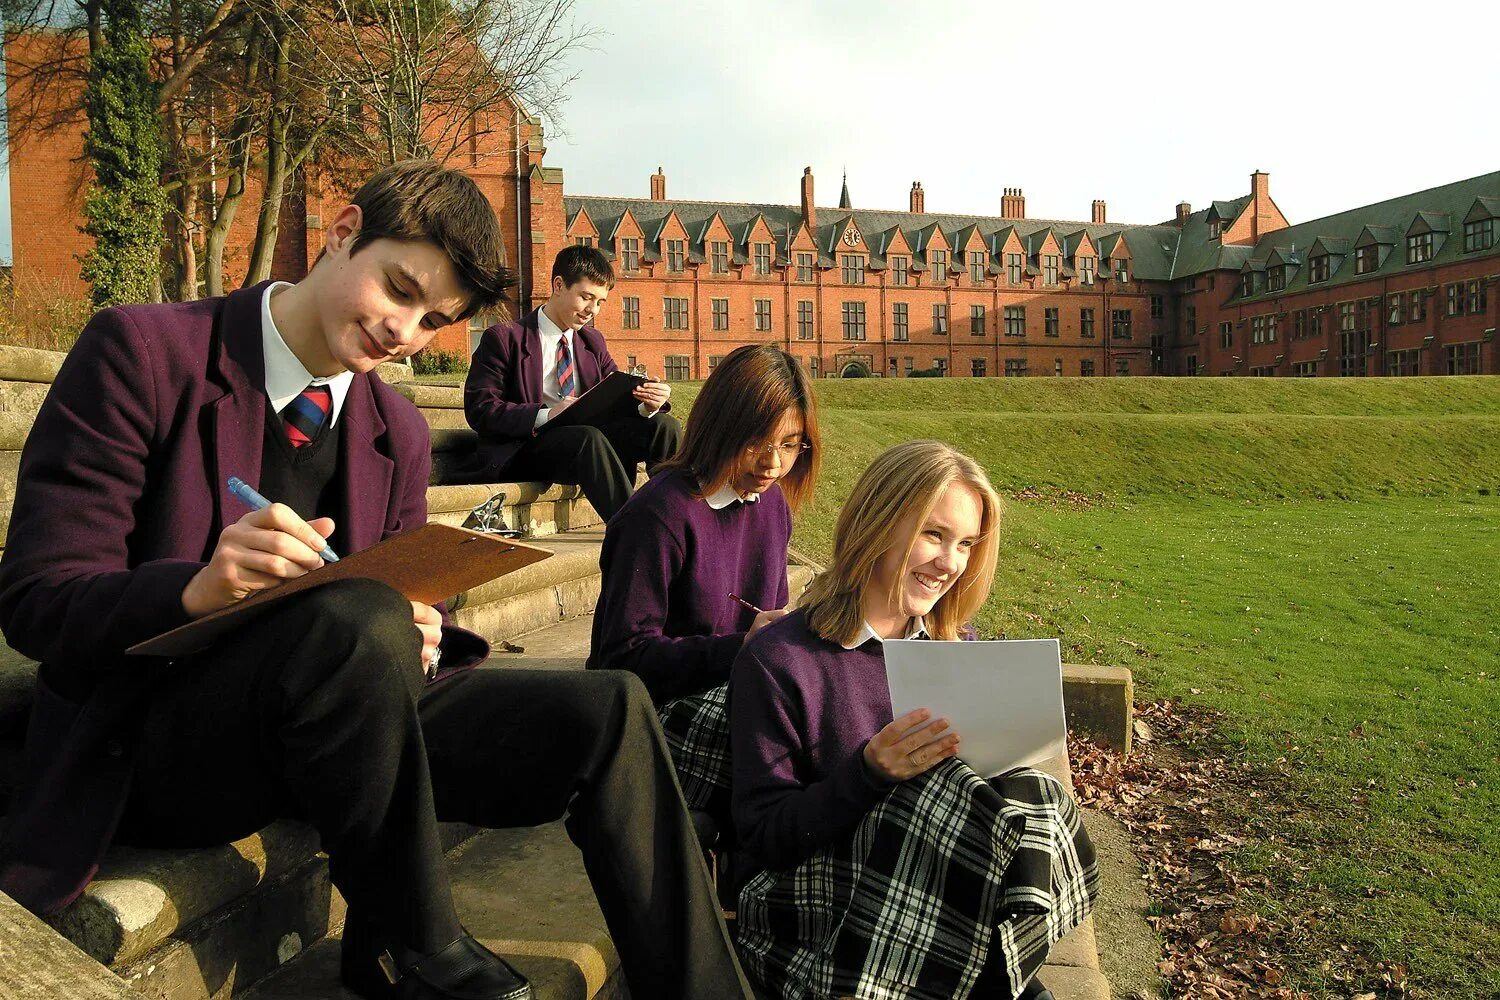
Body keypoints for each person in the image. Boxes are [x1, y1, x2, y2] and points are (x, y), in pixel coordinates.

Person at [0, 161, 753, 1000]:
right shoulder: (143, 352)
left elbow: (393, 604)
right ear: (340, 230)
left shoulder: (394, 425)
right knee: (353, 618)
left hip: (342, 721)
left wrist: (422, 634)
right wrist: (196, 588)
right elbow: (37, 598)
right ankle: (418, 948)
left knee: (609, 708)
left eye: (434, 321)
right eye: (399, 291)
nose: (406, 334)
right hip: (159, 739)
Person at [729, 440, 1098, 1000]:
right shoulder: (782, 660)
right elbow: (762, 838)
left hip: (941, 903)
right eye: (934, 534)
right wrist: (869, 773)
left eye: (966, 544)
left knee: (1030, 795)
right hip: (822, 910)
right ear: (878, 523)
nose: (951, 563)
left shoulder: (956, 647)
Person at [587, 344, 820, 820]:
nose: (773, 464)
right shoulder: (658, 514)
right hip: (655, 717)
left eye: (791, 443)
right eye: (757, 441)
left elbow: (764, 624)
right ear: (721, 426)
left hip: (739, 693)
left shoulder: (772, 506)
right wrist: (740, 647)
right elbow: (620, 660)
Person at [463, 246, 679, 522]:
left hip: (588, 446)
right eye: (586, 297)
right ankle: (634, 530)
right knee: (586, 437)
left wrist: (646, 403)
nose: (593, 310)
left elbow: (614, 397)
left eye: (600, 302)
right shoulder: (505, 339)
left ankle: (679, 516)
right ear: (558, 285)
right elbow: (480, 409)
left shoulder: (592, 342)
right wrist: (546, 414)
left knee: (664, 425)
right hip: (527, 448)